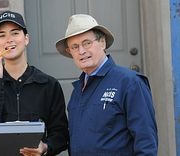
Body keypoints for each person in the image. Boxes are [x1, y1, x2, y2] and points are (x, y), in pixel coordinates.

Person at [55, 14, 158, 155]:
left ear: (102, 42)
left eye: (87, 43)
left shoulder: (130, 82)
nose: (81, 51)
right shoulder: (78, 91)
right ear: (70, 52)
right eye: (75, 47)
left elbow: (146, 142)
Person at [0, 10, 69, 156]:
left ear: (26, 39)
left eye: (15, 33)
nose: (9, 39)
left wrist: (45, 147)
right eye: (2, 35)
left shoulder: (49, 85)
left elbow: (60, 135)